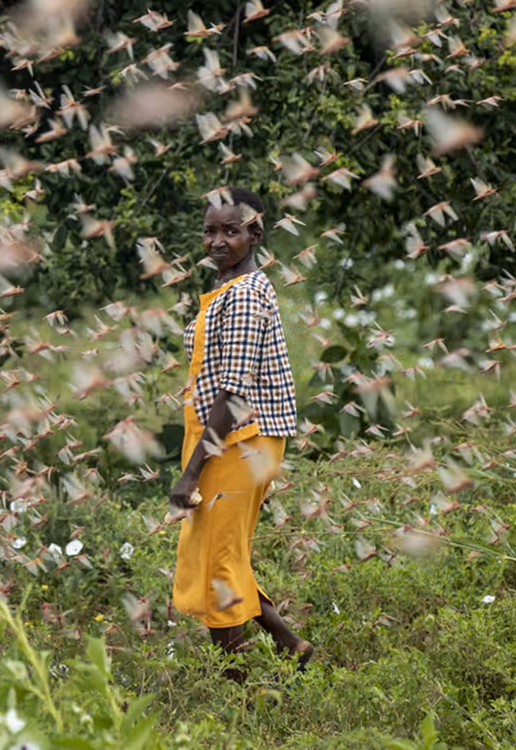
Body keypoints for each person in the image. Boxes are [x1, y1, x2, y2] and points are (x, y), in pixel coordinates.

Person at [169, 186, 311, 681]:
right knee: (222, 554)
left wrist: (190, 475)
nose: (217, 241)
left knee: (217, 570)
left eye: (231, 230)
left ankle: (243, 698)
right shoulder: (228, 291)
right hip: (226, 440)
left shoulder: (247, 297)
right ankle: (290, 645)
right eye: (210, 230)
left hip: (240, 442)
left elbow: (234, 394)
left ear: (255, 233)